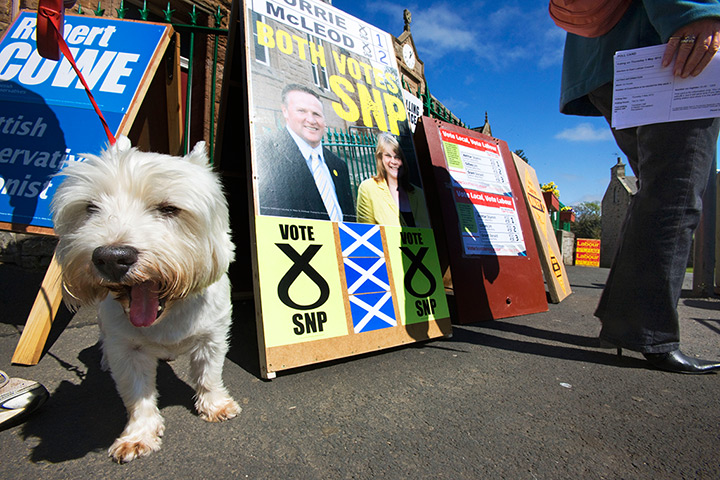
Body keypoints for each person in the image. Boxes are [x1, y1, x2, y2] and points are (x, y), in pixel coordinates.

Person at [558, 0, 720, 373]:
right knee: (676, 193)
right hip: (665, 39)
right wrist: (695, 10)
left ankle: (628, 324)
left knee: (658, 191)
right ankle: (648, 333)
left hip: (606, 58)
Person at [256, 84, 356, 222]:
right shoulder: (264, 154)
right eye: (302, 111)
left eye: (316, 114)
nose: (311, 120)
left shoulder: (339, 165)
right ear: (285, 112)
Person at [356, 132, 430, 227]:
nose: (394, 161)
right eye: (388, 156)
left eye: (398, 157)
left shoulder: (420, 195)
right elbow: (366, 234)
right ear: (380, 159)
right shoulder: (368, 189)